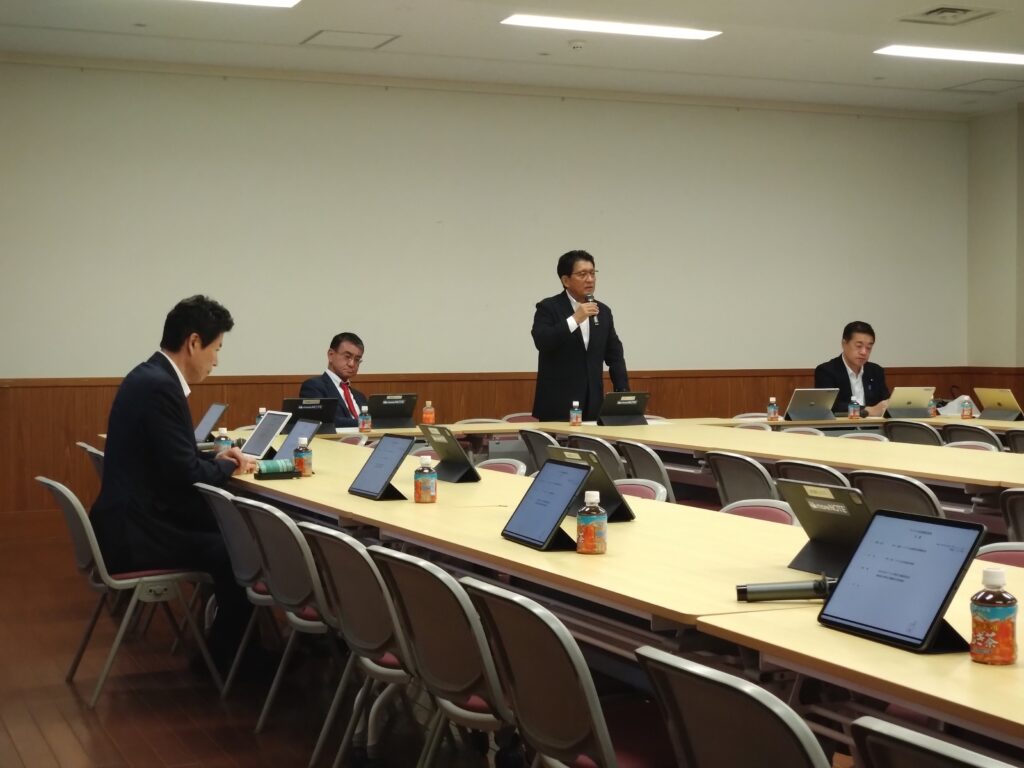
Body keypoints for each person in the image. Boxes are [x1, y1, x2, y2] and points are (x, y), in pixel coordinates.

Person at [91, 295, 258, 669]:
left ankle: (229, 651)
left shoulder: (148, 375)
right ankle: (228, 659)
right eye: (217, 349)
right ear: (194, 342)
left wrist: (216, 460)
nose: (216, 361)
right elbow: (185, 473)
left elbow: (174, 459)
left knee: (231, 534)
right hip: (137, 534)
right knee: (238, 548)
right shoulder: (160, 387)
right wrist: (228, 468)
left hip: (129, 521)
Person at [531, 250, 629, 421]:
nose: (590, 279)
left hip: (593, 405)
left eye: (592, 273)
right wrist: (575, 319)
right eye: (582, 274)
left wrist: (623, 392)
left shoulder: (603, 311)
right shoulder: (548, 307)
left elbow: (615, 356)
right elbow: (543, 341)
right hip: (557, 406)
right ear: (565, 280)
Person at [814, 321, 890, 417]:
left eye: (869, 347)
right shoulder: (826, 371)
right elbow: (830, 407)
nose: (864, 352)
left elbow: (885, 402)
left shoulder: (876, 371)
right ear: (844, 344)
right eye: (859, 346)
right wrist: (867, 411)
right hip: (842, 425)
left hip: (875, 425)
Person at [299, 332, 367, 428]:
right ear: (331, 355)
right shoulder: (314, 387)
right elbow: (325, 420)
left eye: (357, 359)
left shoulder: (360, 396)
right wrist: (365, 423)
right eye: (347, 357)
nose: (352, 364)